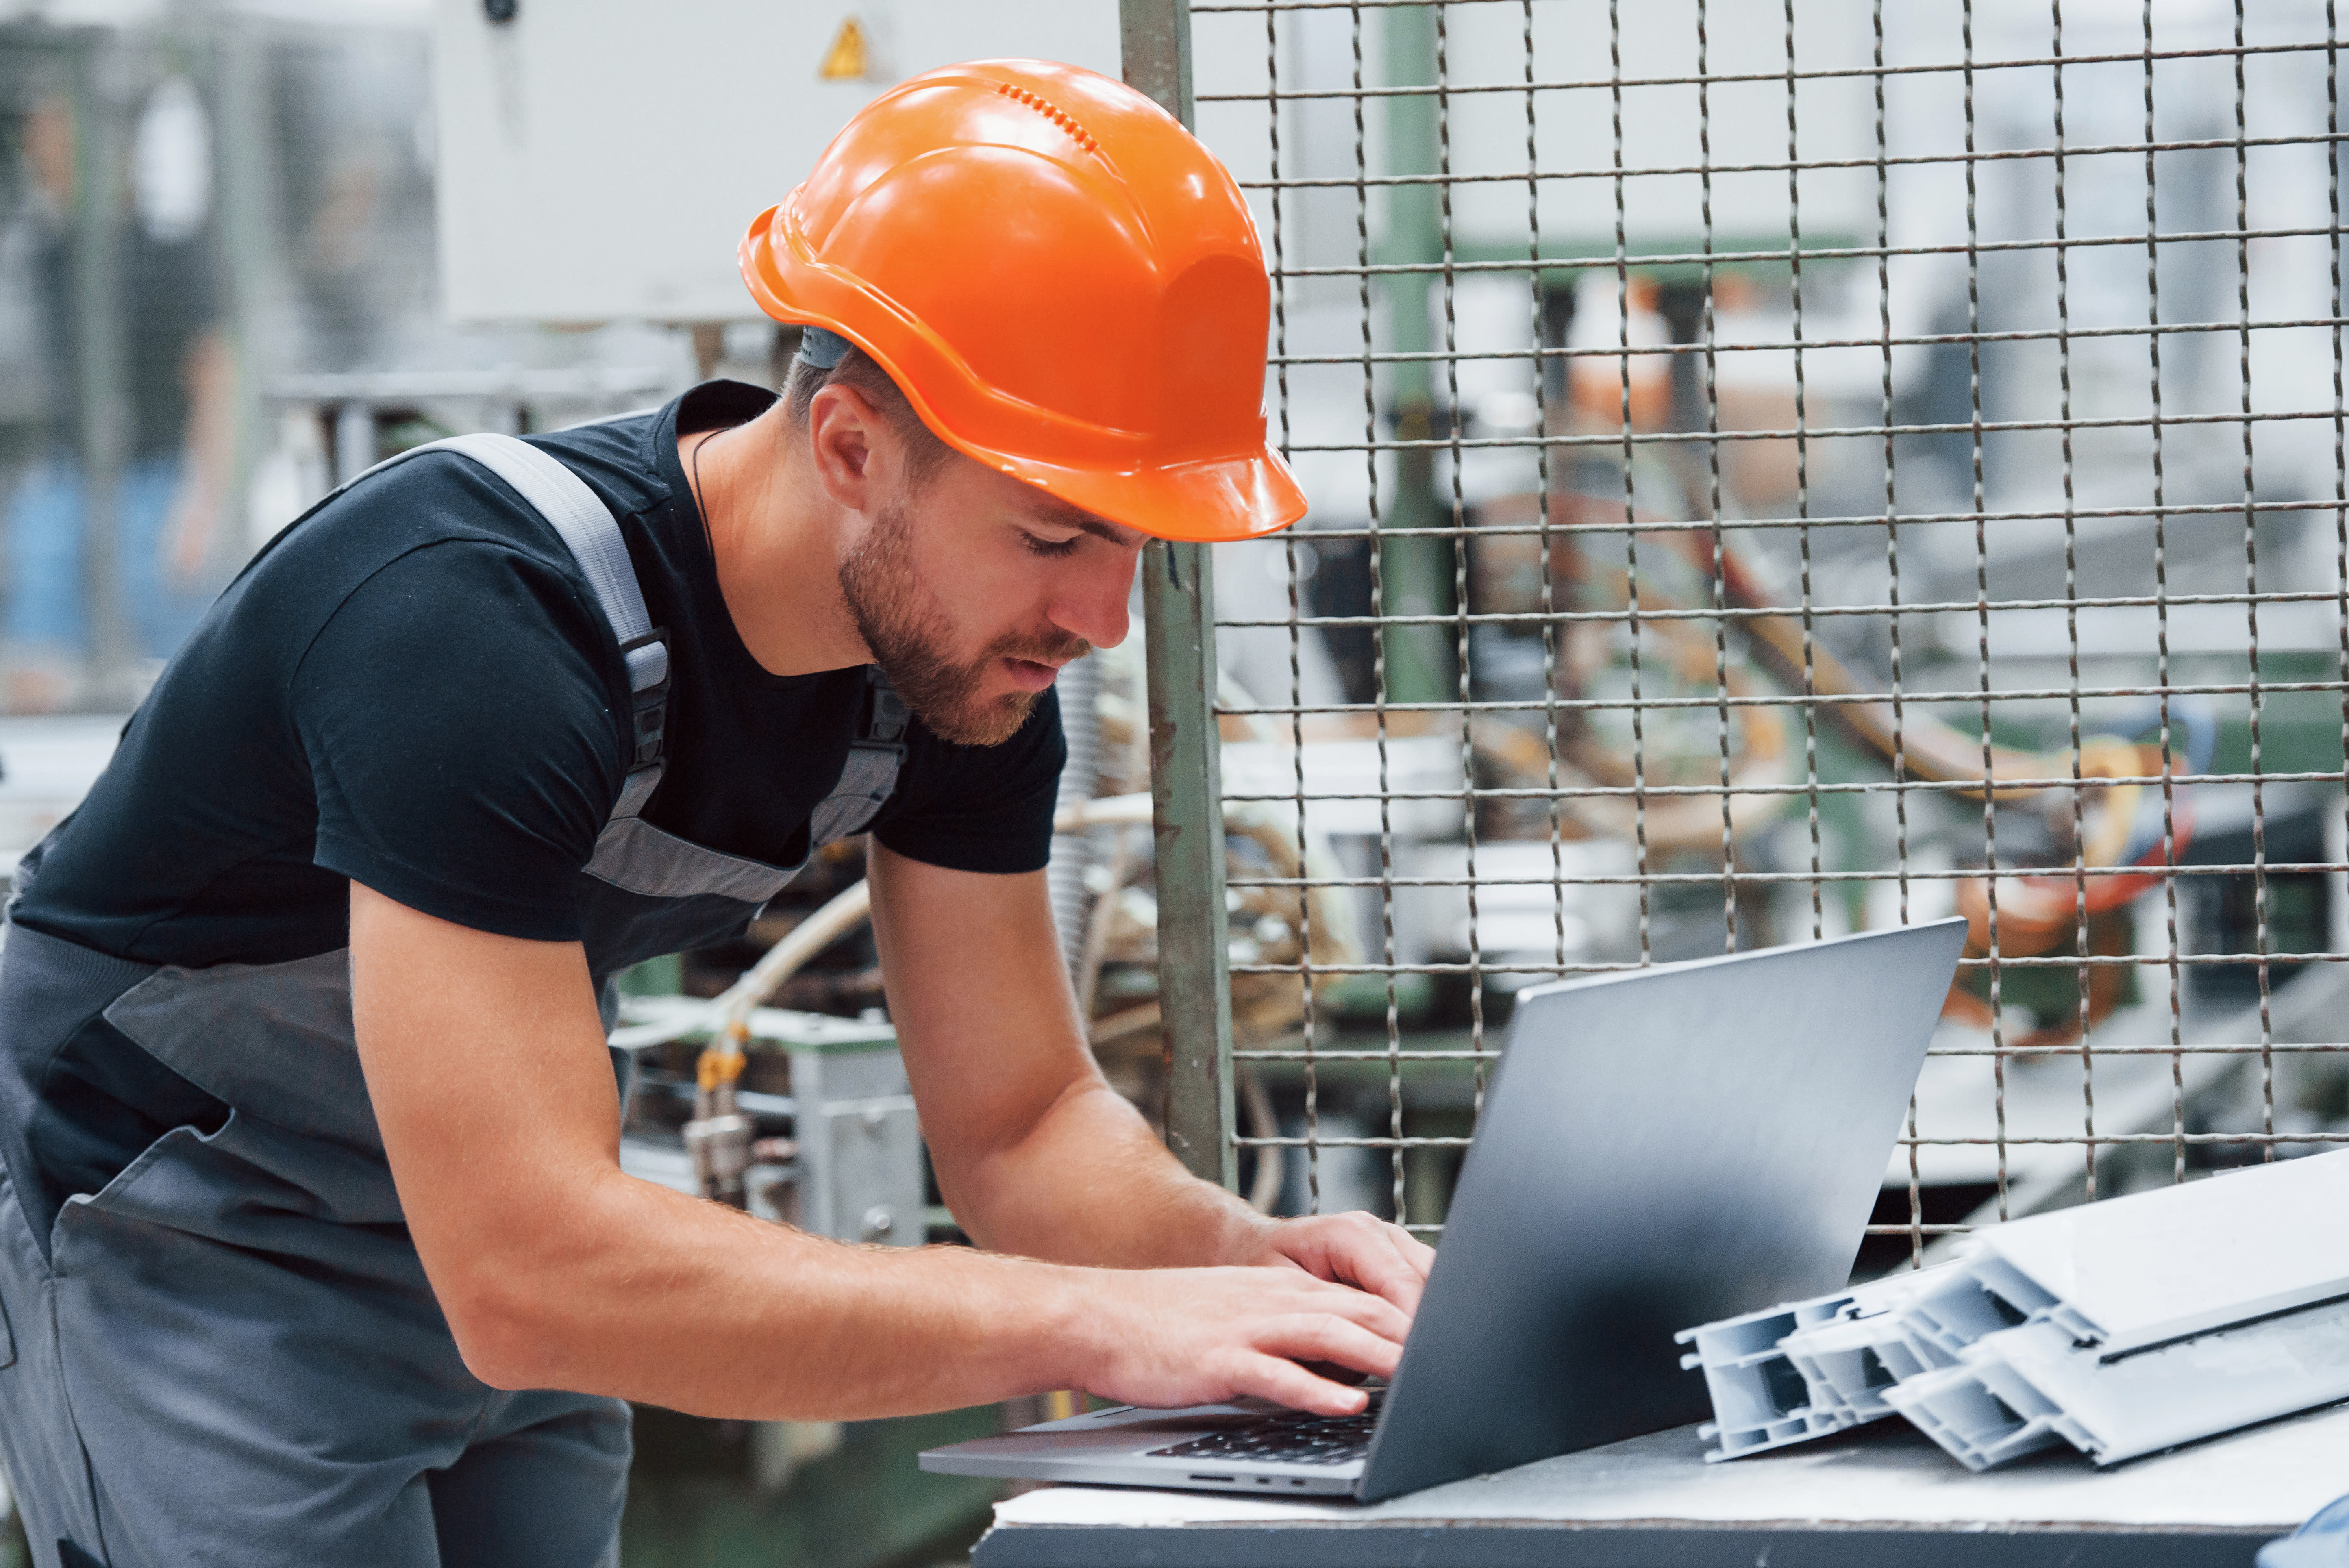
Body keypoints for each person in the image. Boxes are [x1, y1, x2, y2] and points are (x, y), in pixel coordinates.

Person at [0, 59, 1431, 1568]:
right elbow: (530, 1267)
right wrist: (1103, 1321)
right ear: (850, 446)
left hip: (515, 1232)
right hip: (190, 1228)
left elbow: (1019, 1121)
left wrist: (1259, 1270)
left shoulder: (954, 666)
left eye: (1130, 542)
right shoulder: (472, 624)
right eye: (1053, 532)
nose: (1100, 615)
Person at [2, 80, 233, 710]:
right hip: (68, 474)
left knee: (170, 669)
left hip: (155, 481)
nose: (43, 153)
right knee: (34, 659)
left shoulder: (168, 252)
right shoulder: (45, 253)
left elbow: (215, 379)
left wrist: (200, 505)